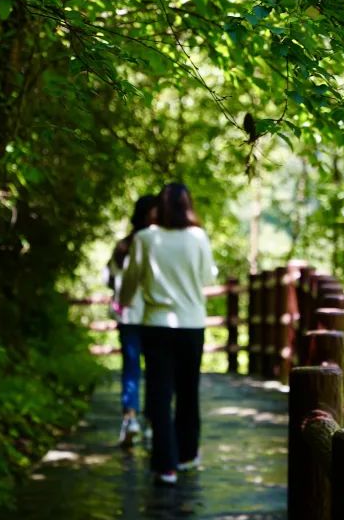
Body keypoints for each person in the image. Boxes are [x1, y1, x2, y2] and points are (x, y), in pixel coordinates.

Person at [120, 183, 215, 485]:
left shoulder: (146, 238)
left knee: (160, 394)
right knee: (188, 391)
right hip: (192, 325)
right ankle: (187, 455)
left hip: (156, 325)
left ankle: (165, 465)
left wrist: (123, 302)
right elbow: (207, 277)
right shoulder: (198, 237)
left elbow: (131, 278)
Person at [107, 195, 158, 448]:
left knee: (131, 368)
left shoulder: (123, 246)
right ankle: (149, 421)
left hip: (129, 315)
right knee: (154, 369)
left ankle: (131, 419)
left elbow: (111, 278)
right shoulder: (156, 243)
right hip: (151, 315)